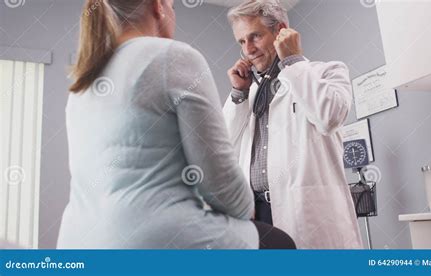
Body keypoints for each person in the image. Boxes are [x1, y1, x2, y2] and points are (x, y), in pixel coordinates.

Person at [57, 0, 295, 249]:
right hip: (146, 239)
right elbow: (222, 187)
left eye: (254, 37)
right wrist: (248, 206)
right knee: (280, 244)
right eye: (173, 5)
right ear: (159, 6)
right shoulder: (172, 55)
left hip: (77, 240)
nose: (248, 49)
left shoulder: (84, 80)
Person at [223, 0, 363, 249]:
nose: (249, 50)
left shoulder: (327, 72)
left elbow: (328, 116)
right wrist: (238, 94)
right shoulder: (251, 92)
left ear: (280, 31)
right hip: (257, 216)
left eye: (255, 37)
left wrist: (293, 61)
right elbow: (224, 145)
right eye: (241, 42)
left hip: (307, 214)